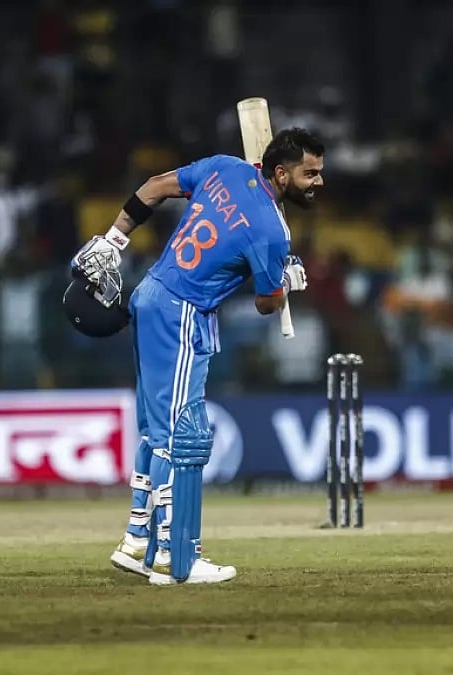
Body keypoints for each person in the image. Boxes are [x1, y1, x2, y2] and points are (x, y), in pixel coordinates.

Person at [67, 128, 325, 584]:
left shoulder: (225, 167)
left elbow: (153, 187)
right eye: (310, 174)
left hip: (149, 295)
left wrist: (114, 239)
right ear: (282, 174)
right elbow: (267, 303)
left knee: (155, 431)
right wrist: (289, 281)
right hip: (183, 312)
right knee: (179, 435)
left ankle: (137, 540)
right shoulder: (270, 230)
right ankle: (173, 555)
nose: (318, 182)